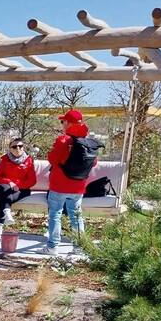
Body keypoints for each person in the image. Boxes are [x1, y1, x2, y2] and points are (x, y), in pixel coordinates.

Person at [45, 109, 102, 255]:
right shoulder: (88, 142)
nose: (62, 124)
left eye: (63, 121)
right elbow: (93, 163)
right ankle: (79, 247)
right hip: (78, 187)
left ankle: (52, 247)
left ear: (69, 123)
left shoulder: (62, 140)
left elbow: (53, 159)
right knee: (76, 217)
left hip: (59, 185)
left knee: (55, 214)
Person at [0, 138, 36, 240]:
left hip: (21, 189)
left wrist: (18, 185)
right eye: (14, 147)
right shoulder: (4, 159)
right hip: (4, 187)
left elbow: (32, 181)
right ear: (10, 148)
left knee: (5, 197)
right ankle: (6, 215)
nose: (17, 148)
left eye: (20, 146)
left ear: (23, 147)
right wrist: (9, 182)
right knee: (6, 190)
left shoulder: (29, 160)